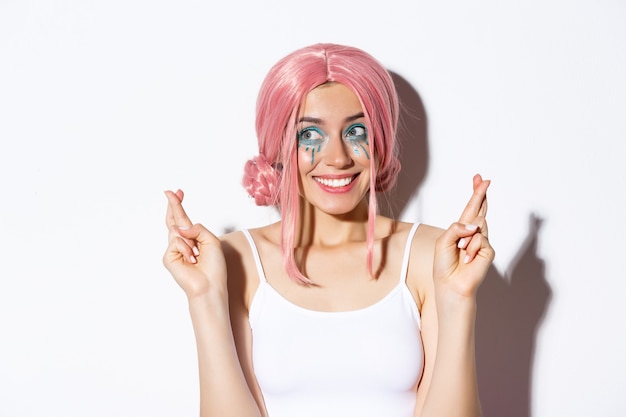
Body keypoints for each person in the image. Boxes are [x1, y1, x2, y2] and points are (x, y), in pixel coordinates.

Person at [163, 43, 494, 417]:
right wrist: (204, 297)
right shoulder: (235, 259)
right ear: (277, 146)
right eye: (309, 135)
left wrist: (458, 299)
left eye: (356, 131)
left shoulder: (432, 255)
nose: (337, 158)